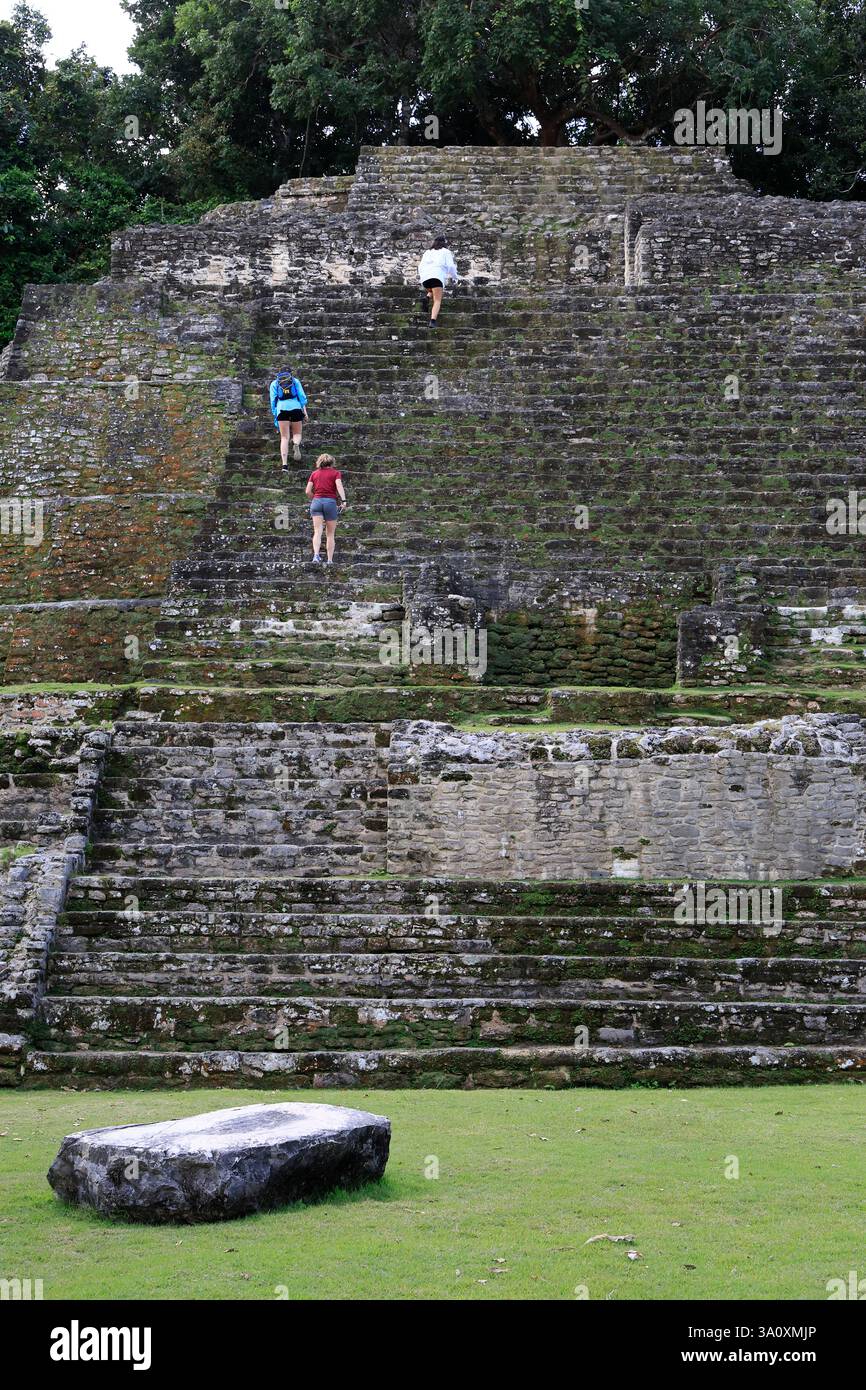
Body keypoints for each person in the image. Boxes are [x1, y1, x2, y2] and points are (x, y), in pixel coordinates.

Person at [305, 453, 347, 564]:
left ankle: (316, 556)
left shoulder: (314, 474)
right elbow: (339, 485)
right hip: (330, 502)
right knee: (330, 534)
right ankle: (329, 560)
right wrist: (343, 501)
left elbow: (307, 491)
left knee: (317, 531)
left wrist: (315, 498)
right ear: (332, 462)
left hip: (317, 502)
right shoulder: (336, 473)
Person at [269, 368, 309, 468]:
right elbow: (302, 397)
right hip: (296, 408)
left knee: (284, 437)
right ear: (290, 373)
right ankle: (296, 444)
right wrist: (305, 413)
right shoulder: (295, 381)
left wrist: (275, 414)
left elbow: (273, 401)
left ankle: (284, 465)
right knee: (297, 433)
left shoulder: (274, 383)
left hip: (281, 409)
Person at [417, 236, 458, 327]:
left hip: (426, 279)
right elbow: (451, 266)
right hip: (437, 277)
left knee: (433, 289)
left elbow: (420, 266)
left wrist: (422, 278)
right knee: (437, 300)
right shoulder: (446, 252)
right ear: (444, 243)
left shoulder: (427, 252)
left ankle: (427, 297)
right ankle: (433, 321)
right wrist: (455, 276)